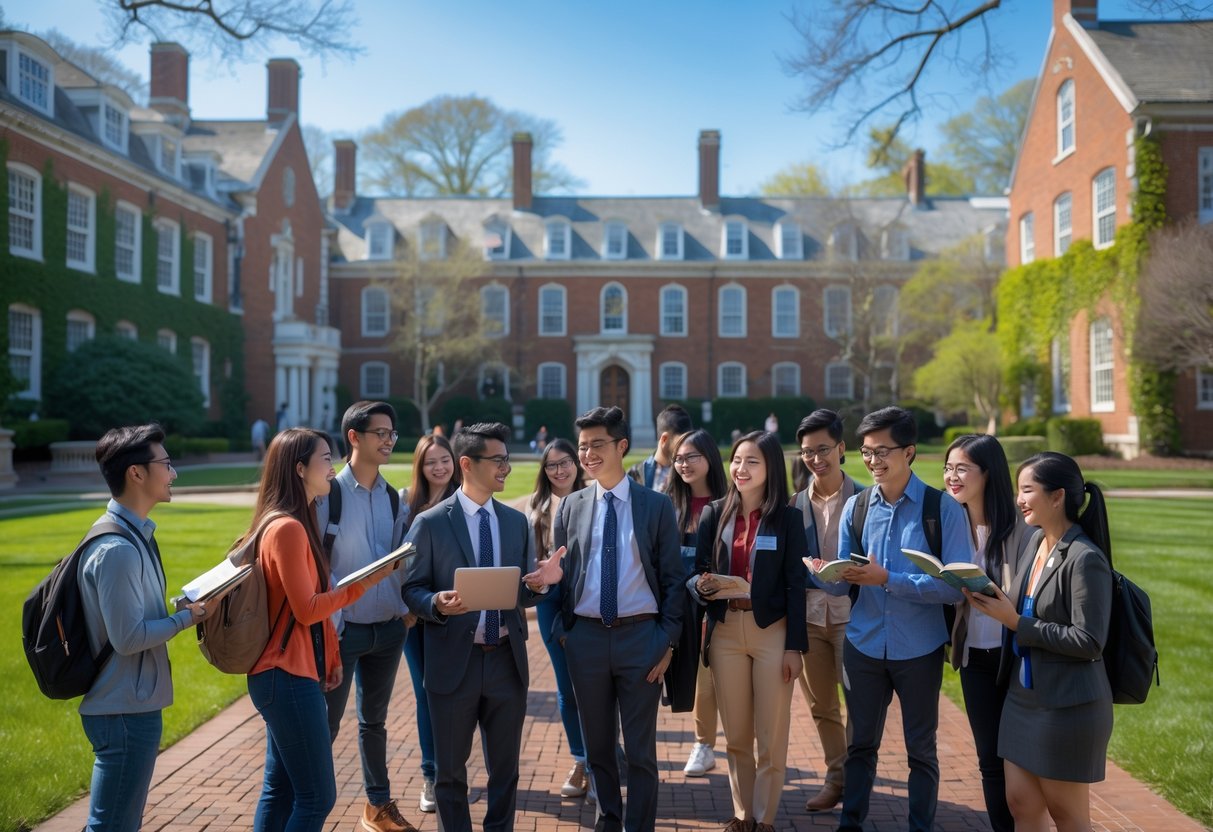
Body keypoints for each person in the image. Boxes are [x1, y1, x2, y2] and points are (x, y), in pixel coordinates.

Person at [810, 406, 973, 832]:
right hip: (862, 644)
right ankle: (851, 824)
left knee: (921, 750)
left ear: (910, 452)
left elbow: (956, 587)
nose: (873, 461)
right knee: (860, 745)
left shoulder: (943, 510)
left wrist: (889, 580)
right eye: (866, 452)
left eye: (883, 451)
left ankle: (920, 826)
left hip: (919, 647)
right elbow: (846, 582)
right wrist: (824, 574)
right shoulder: (857, 508)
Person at [245, 428, 399, 832]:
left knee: (279, 790)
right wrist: (363, 584)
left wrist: (329, 656)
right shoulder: (288, 528)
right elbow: (309, 609)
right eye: (325, 459)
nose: (333, 468)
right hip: (286, 676)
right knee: (316, 798)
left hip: (290, 672)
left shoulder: (295, 522)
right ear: (299, 469)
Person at [401, 422, 548, 832]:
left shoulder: (515, 522)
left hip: (506, 660)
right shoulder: (430, 523)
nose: (506, 468)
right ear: (467, 464)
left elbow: (521, 594)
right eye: (498, 460)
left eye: (507, 460)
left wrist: (541, 584)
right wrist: (435, 603)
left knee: (506, 771)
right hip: (453, 665)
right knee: (449, 774)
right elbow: (411, 588)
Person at [550, 405, 685, 832]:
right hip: (586, 640)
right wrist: (564, 633)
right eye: (582, 446)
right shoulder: (570, 507)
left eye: (597, 445)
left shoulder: (655, 506)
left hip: (641, 639)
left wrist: (666, 640)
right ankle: (608, 821)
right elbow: (561, 577)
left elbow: (673, 581)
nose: (587, 454)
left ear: (621, 446)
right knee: (599, 750)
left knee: (642, 752)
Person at [967, 452, 1114, 832]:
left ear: (1057, 496)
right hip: (1022, 699)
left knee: (1067, 815)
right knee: (1021, 804)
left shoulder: (1084, 558)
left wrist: (1016, 622)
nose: (1019, 499)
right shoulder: (1034, 543)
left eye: (1027, 490)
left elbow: (1089, 640)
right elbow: (1022, 603)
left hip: (1067, 704)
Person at [77, 423, 207, 832]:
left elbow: (129, 617)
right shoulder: (118, 549)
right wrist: (188, 618)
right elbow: (129, 638)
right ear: (136, 473)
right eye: (166, 464)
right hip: (123, 709)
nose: (173, 474)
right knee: (113, 825)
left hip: (131, 705)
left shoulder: (135, 537)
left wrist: (179, 607)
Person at [690, 431, 807, 832]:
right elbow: (697, 573)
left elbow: (796, 584)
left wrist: (796, 648)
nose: (740, 468)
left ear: (770, 467)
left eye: (751, 461)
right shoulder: (715, 513)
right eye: (737, 460)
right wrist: (702, 585)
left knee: (770, 736)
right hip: (725, 631)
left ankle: (765, 819)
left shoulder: (789, 518)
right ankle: (742, 818)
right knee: (736, 735)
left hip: (772, 631)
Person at [317, 402, 415, 832]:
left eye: (392, 434)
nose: (389, 441)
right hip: (342, 632)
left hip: (389, 630)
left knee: (374, 722)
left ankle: (377, 807)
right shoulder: (328, 496)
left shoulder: (395, 497)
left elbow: (403, 562)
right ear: (354, 437)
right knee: (326, 724)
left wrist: (406, 614)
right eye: (381, 433)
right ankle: (308, 808)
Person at [943, 434, 1032, 832]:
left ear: (988, 473)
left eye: (962, 468)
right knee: (989, 762)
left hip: (1016, 658)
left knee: (1023, 761)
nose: (952, 476)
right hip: (974, 658)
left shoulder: (1021, 529)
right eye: (948, 468)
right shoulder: (950, 522)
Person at [791, 409, 860, 813]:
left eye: (823, 450)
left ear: (841, 449)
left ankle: (856, 780)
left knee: (859, 706)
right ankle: (836, 779)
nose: (816, 459)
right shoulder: (794, 505)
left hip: (855, 619)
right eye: (807, 452)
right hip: (810, 619)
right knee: (822, 707)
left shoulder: (866, 500)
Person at [525, 438, 591, 798]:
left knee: (598, 680)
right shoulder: (536, 508)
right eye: (552, 465)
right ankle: (581, 759)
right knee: (566, 684)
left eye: (565, 462)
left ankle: (604, 755)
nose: (560, 470)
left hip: (588, 598)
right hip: (551, 600)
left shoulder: (595, 498)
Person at [399, 433, 460, 814]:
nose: (439, 468)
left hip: (457, 613)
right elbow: (396, 562)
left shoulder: (466, 501)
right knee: (425, 694)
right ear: (420, 466)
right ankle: (431, 774)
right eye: (430, 462)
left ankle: (453, 771)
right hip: (415, 618)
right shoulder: (406, 505)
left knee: (457, 696)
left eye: (445, 460)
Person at [665, 428, 728, 777]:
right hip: (679, 604)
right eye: (678, 458)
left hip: (717, 602)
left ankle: (709, 743)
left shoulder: (729, 501)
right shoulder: (668, 504)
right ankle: (703, 743)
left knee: (715, 674)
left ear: (709, 458)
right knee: (692, 674)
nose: (683, 464)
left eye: (691, 456)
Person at [627, 403, 692, 492]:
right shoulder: (635, 474)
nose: (686, 447)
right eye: (681, 442)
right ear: (664, 439)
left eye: (688, 441)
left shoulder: (690, 472)